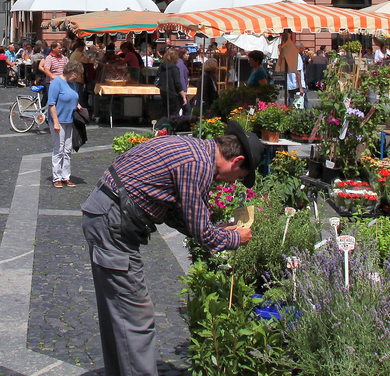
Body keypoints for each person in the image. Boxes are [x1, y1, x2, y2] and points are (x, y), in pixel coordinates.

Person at [80, 121, 261, 376]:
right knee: (135, 318)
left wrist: (218, 230)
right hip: (112, 222)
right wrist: (234, 239)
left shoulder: (196, 152)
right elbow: (202, 234)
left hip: (106, 215)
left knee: (117, 313)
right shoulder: (196, 165)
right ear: (236, 161)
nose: (230, 184)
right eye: (239, 178)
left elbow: (179, 215)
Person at [48, 60, 84, 188]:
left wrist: (79, 107)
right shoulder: (56, 83)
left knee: (67, 149)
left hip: (70, 120)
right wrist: (56, 122)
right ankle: (56, 177)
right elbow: (51, 104)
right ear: (70, 72)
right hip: (59, 121)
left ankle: (66, 176)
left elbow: (73, 97)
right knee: (59, 149)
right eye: (76, 75)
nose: (77, 78)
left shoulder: (72, 83)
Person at [157, 48, 186, 117]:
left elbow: (158, 77)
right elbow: (177, 83)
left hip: (163, 91)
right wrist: (182, 94)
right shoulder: (174, 68)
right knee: (174, 114)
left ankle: (162, 127)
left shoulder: (162, 66)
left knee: (167, 113)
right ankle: (169, 127)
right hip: (172, 93)